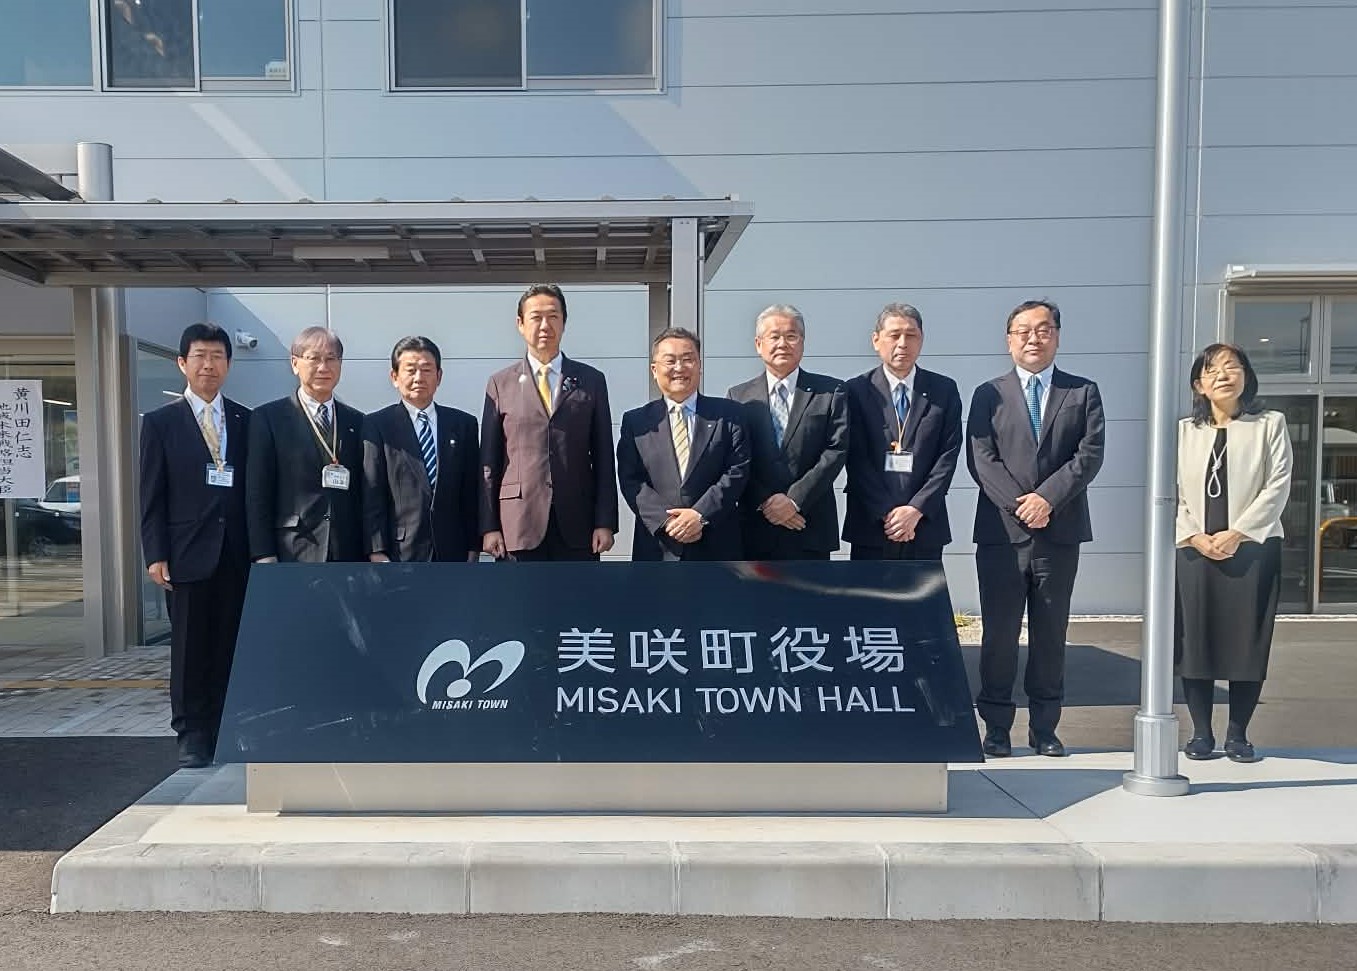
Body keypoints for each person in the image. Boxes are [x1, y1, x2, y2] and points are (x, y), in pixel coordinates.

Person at [967, 299, 1105, 758]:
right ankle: (996, 726)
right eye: (1023, 330)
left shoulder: (1082, 392)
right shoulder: (988, 394)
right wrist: (1021, 506)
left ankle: (1045, 727)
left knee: (1050, 635)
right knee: (999, 635)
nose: (1033, 338)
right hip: (1002, 535)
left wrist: (1048, 499)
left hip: (1059, 532)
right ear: (1009, 340)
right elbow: (981, 459)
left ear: (1057, 337)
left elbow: (1089, 455)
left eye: (1043, 329)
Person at [138, 322, 250, 768]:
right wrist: (155, 552)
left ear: (228, 365)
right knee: (188, 649)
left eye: (217, 356)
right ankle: (190, 732)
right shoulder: (161, 423)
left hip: (236, 553)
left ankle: (225, 727)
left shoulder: (244, 419)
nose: (209, 365)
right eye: (200, 356)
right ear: (182, 363)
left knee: (229, 644)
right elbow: (151, 493)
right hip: (185, 553)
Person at [1175, 343, 1291, 763]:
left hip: (1253, 549)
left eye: (1232, 367)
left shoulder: (1269, 424)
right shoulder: (1184, 431)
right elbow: (1172, 493)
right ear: (1199, 385)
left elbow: (1278, 484)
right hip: (1195, 552)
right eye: (1213, 370)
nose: (1223, 375)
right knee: (1195, 642)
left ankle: (1238, 735)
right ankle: (1201, 733)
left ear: (1246, 376)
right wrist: (1194, 536)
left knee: (1248, 642)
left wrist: (1238, 533)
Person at [480, 284, 618, 561]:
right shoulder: (500, 383)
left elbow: (603, 456)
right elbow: (489, 462)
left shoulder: (591, 380)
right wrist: (489, 526)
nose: (545, 325)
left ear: (564, 323)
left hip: (578, 521)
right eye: (536, 317)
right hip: (518, 522)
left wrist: (605, 521)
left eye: (553, 316)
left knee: (576, 591)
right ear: (520, 324)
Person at [727, 304, 848, 560]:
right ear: (758, 344)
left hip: (809, 524)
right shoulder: (738, 397)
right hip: (756, 527)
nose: (782, 344)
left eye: (791, 336)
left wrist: (794, 500)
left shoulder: (831, 392)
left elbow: (835, 451)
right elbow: (736, 459)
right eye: (774, 336)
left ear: (802, 342)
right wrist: (766, 502)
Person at [618, 327, 750, 561]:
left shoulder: (729, 414)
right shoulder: (635, 422)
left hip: (718, 544)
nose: (679, 368)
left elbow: (737, 470)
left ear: (700, 366)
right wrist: (667, 521)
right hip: (659, 547)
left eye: (688, 359)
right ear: (654, 370)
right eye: (670, 361)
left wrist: (700, 514)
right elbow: (630, 480)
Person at [842, 303, 962, 561]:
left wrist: (915, 510)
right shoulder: (856, 391)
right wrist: (888, 513)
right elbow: (855, 458)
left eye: (911, 335)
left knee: (923, 590)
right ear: (876, 340)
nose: (903, 343)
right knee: (870, 590)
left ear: (922, 339)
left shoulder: (944, 390)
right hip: (871, 524)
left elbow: (947, 456)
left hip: (925, 524)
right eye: (894, 335)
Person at [246, 327, 365, 564]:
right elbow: (258, 491)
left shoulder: (357, 421)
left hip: (347, 550)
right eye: (314, 358)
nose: (323, 367)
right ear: (295, 363)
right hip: (293, 547)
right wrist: (263, 553)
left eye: (331, 359)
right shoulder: (268, 418)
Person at [362, 336, 480, 563]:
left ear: (439, 376)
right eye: (411, 370)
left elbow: (471, 491)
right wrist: (376, 550)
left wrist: (473, 546)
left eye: (426, 370)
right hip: (400, 552)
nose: (419, 378)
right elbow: (372, 493)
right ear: (394, 377)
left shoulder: (463, 425)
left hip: (453, 551)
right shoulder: (377, 425)